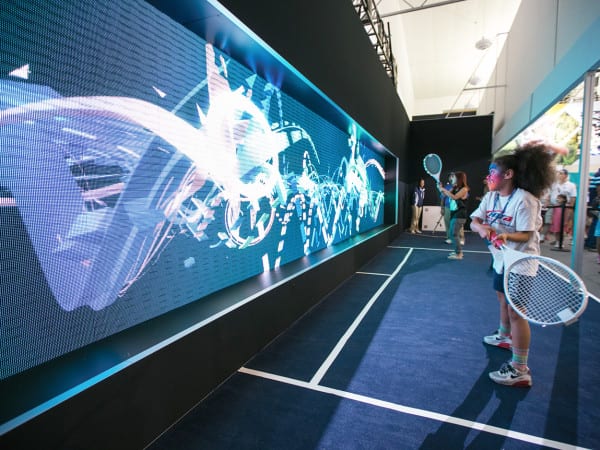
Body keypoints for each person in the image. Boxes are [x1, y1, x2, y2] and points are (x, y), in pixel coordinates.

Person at [470, 142, 555, 387]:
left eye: (492, 171)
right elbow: (475, 220)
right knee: (501, 298)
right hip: (501, 260)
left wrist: (506, 236)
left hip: (521, 262)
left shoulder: (525, 200)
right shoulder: (491, 197)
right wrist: (481, 228)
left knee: (517, 312)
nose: (488, 176)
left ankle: (520, 369)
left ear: (508, 174)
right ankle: (504, 336)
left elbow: (526, 235)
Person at [439, 171, 469, 259]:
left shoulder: (464, 189)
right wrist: (440, 188)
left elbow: (454, 197)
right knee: (453, 234)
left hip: (460, 214)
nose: (452, 178)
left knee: (453, 234)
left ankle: (459, 254)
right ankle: (457, 252)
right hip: (454, 213)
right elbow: (444, 194)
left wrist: (443, 189)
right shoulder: (454, 187)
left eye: (454, 177)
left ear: (459, 178)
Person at [548, 168, 577, 247]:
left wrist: (570, 208)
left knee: (563, 225)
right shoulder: (554, 184)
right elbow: (549, 194)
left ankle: (561, 241)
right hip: (554, 207)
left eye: (561, 173)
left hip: (565, 208)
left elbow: (573, 197)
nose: (558, 175)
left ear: (566, 175)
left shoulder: (571, 185)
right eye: (558, 173)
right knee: (555, 225)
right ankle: (557, 240)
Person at [441, 173, 464, 245]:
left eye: (453, 176)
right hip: (447, 208)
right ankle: (449, 238)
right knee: (448, 223)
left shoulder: (460, 187)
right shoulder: (447, 187)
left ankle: (461, 238)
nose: (451, 178)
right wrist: (442, 208)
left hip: (457, 208)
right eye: (450, 176)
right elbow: (442, 198)